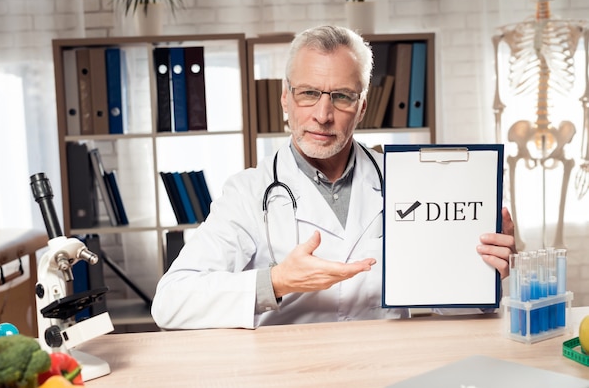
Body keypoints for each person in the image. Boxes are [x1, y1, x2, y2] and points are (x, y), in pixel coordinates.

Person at [151, 25, 516, 330]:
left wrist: (479, 275)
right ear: (286, 99)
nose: (323, 115)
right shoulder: (248, 192)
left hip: (385, 372)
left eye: (342, 97)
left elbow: (453, 309)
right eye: (309, 93)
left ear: (362, 107)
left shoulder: (411, 181)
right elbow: (171, 302)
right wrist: (276, 282)